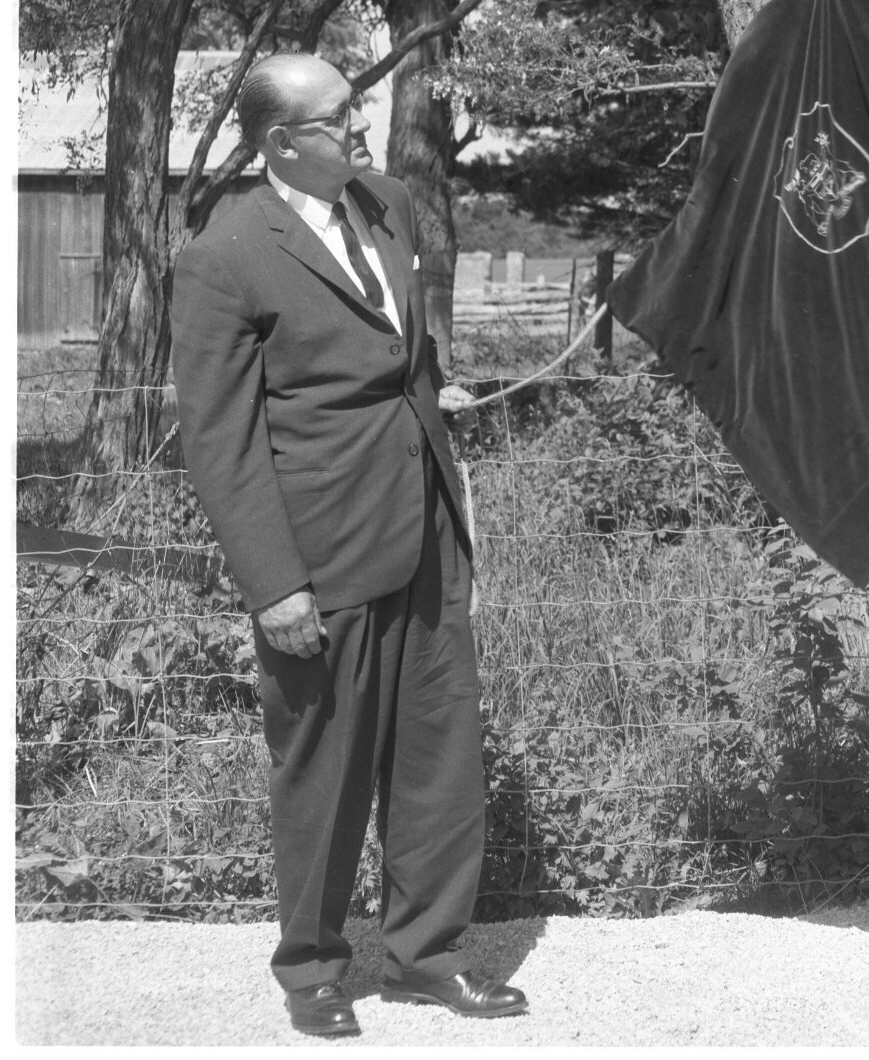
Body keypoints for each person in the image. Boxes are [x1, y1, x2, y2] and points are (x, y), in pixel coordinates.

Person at [171, 53, 525, 1035]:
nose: (360, 124)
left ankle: (427, 955)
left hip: (425, 526)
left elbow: (401, 345)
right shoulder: (227, 253)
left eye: (354, 107)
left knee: (438, 758)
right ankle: (315, 969)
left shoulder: (388, 203)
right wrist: (272, 583)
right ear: (283, 140)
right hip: (318, 549)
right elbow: (219, 435)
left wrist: (434, 394)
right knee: (322, 766)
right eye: (339, 115)